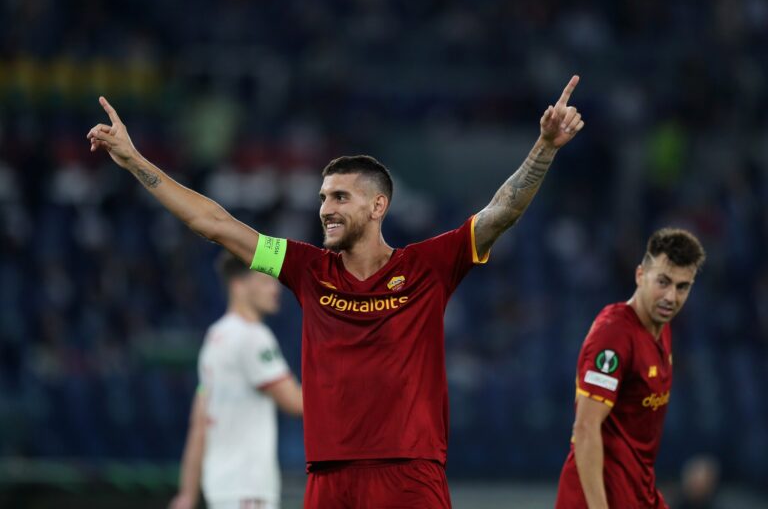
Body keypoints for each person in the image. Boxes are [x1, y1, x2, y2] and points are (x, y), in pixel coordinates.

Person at [88, 75, 584, 508]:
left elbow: (502, 212)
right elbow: (214, 224)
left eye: (341, 197)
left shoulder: (428, 266)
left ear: (377, 206)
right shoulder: (305, 268)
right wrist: (133, 161)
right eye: (324, 197)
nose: (326, 208)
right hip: (329, 478)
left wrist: (544, 147)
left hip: (410, 475)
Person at [555, 228, 706, 509]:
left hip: (638, 493)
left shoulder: (662, 329)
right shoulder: (614, 335)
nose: (671, 297)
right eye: (663, 282)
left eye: (682, 287)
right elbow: (586, 428)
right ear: (640, 275)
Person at [169, 252, 302, 509]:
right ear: (238, 286)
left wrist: (187, 493)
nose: (275, 289)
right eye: (265, 281)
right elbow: (296, 403)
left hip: (222, 487)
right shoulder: (254, 337)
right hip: (248, 488)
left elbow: (199, 422)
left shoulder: (215, 337)